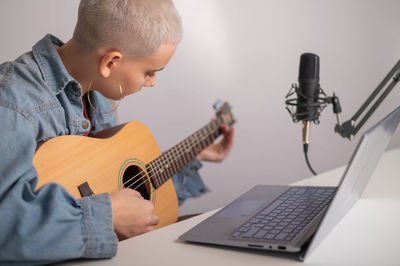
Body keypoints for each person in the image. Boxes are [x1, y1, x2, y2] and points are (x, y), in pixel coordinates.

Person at [0, 0, 234, 264]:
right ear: (111, 62)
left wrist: (195, 154)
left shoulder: (98, 94)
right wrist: (106, 216)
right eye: (149, 72)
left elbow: (124, 191)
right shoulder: (12, 104)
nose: (152, 82)